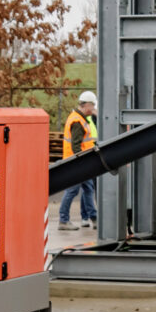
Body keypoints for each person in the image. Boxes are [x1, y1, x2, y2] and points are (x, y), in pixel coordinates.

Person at [59, 88, 99, 230]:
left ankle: (94, 218)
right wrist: (82, 162)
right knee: (72, 191)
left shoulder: (80, 118)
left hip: (81, 162)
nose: (93, 109)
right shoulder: (77, 121)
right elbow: (76, 147)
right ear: (86, 105)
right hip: (76, 163)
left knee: (88, 188)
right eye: (92, 106)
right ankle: (63, 220)